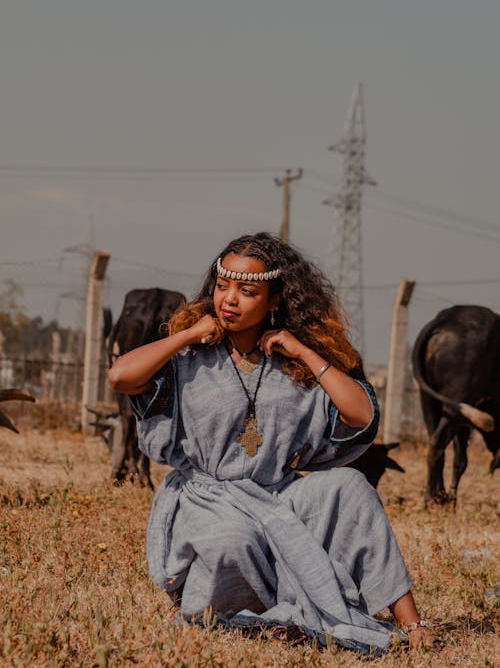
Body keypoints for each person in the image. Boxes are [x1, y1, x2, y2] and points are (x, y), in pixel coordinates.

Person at [108, 232, 436, 654]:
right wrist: (186, 336)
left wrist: (304, 351)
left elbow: (362, 415)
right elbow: (120, 377)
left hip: (278, 494)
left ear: (275, 299)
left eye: (247, 291)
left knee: (351, 489)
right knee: (233, 538)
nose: (230, 299)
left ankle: (414, 624)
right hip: (209, 499)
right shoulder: (188, 358)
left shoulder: (294, 364)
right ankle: (234, 614)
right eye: (222, 287)